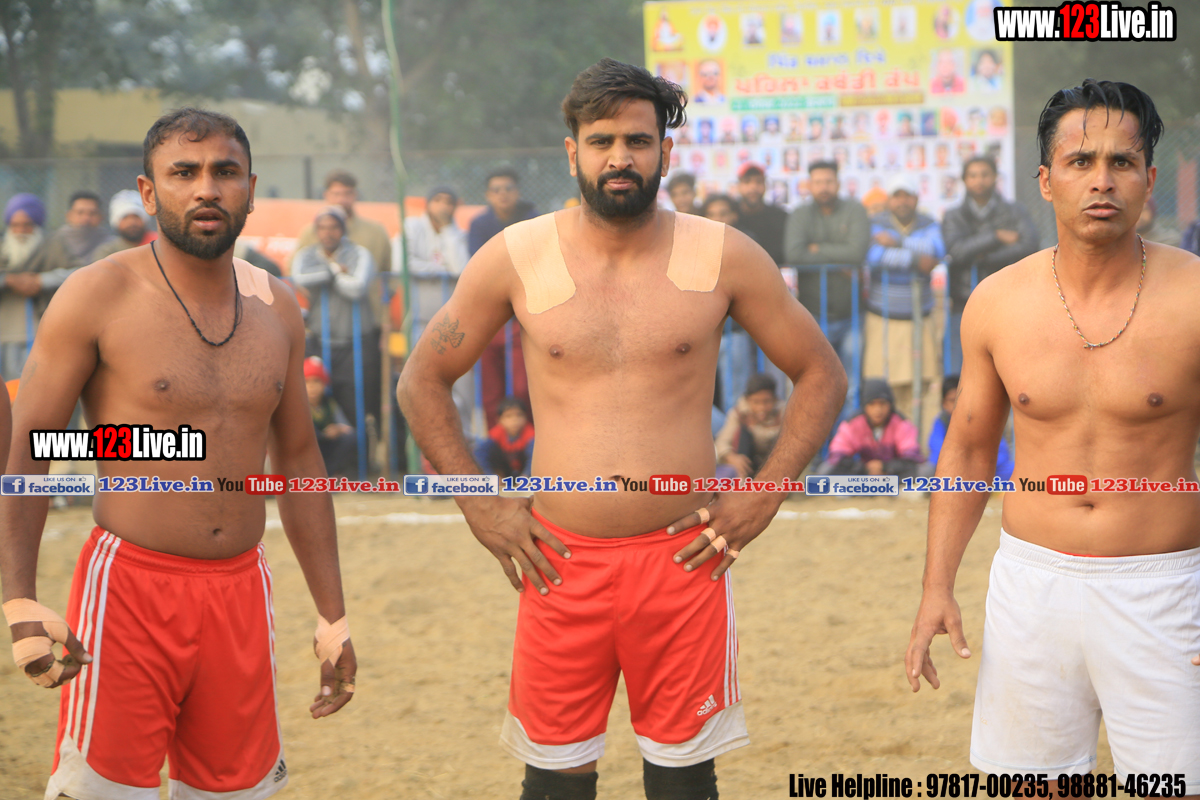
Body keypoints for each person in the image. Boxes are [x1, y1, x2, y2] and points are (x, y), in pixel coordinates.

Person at [397, 58, 845, 800]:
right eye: (601, 141)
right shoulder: (518, 254)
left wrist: (763, 494)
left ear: (664, 151)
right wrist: (481, 503)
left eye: (638, 141)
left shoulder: (721, 253)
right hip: (557, 564)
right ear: (571, 151)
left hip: (684, 562)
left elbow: (822, 373)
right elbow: (421, 380)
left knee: (684, 786)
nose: (620, 158)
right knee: (554, 786)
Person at [0, 107, 354, 799]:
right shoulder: (95, 294)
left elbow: (299, 462)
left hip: (242, 591)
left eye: (225, 172)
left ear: (251, 189)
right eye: (183, 173)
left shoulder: (278, 307)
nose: (206, 189)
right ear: (148, 190)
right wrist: (18, 600)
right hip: (129, 591)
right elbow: (30, 451)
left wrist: (333, 615)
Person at [905, 79, 1200, 784]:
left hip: (1163, 586)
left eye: (1122, 162)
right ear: (1045, 180)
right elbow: (968, 448)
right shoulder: (997, 302)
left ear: (1149, 177)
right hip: (1031, 585)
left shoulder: (1193, 296)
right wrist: (936, 585)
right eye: (1080, 161)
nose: (1102, 181)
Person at [291, 205, 379, 466]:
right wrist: (335, 270)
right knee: (313, 401)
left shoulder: (359, 253)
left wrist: (329, 276)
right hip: (319, 340)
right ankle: (317, 465)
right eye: (322, 227)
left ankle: (361, 464)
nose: (328, 232)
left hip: (356, 342)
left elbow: (357, 287)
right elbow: (299, 278)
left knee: (356, 404)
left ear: (343, 229)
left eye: (333, 227)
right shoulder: (307, 254)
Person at [785, 159, 870, 420]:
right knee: (816, 385)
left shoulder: (854, 210)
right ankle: (819, 442)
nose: (824, 187)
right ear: (809, 185)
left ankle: (846, 442)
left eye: (829, 181)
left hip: (851, 314)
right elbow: (794, 254)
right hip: (813, 316)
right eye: (818, 182)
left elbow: (857, 253)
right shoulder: (800, 214)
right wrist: (840, 260)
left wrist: (817, 249)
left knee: (852, 386)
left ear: (838, 183)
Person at [941, 155, 1038, 373]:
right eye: (973, 175)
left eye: (985, 174)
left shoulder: (1015, 211)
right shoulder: (954, 216)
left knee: (1010, 368)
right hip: (964, 300)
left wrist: (984, 257)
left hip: (1008, 299)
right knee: (962, 371)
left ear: (995, 177)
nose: (979, 180)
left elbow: (1029, 245)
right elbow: (956, 251)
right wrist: (996, 237)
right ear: (964, 180)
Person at [864, 176, 944, 433]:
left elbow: (937, 249)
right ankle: (889, 447)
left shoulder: (928, 223)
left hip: (921, 318)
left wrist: (898, 243)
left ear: (916, 199)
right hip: (883, 318)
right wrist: (917, 259)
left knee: (923, 386)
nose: (902, 201)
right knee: (885, 387)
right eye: (897, 196)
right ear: (889, 200)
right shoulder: (876, 223)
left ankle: (919, 446)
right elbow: (874, 256)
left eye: (907, 196)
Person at [469, 167, 536, 429]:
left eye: (508, 188)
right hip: (490, 315)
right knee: (490, 390)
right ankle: (495, 444)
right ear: (488, 195)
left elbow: (534, 260)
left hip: (524, 314)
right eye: (496, 190)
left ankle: (530, 443)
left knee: (523, 387)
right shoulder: (479, 224)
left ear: (517, 192)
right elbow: (477, 264)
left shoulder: (533, 219)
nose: (503, 194)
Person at [401, 184, 473, 430]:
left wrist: (447, 232)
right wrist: (438, 270)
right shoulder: (411, 227)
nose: (443, 206)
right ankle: (423, 437)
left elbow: (460, 268)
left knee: (460, 382)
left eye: (449, 201)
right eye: (438, 200)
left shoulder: (458, 233)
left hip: (453, 321)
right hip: (420, 317)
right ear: (428, 203)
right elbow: (403, 263)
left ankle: (464, 436)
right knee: (421, 378)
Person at [0, 193, 77, 379]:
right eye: (15, 225)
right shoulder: (3, 247)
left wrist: (41, 281)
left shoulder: (53, 245)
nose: (21, 231)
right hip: (4, 329)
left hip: (40, 327)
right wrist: (9, 280)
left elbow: (78, 272)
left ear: (37, 224)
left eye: (27, 225)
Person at [817, 378, 928, 479]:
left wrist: (885, 467)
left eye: (882, 403)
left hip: (893, 474)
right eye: (872, 404)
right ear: (864, 406)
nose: (878, 410)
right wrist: (865, 468)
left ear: (891, 404)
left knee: (926, 471)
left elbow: (912, 456)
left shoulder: (900, 423)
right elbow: (837, 455)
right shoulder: (853, 424)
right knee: (825, 470)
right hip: (863, 474)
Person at [927, 375, 1012, 480]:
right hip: (954, 469)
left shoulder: (982, 420)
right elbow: (936, 450)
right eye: (953, 400)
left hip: (987, 469)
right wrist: (963, 461)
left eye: (961, 399)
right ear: (944, 404)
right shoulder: (941, 421)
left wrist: (977, 464)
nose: (957, 405)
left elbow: (1002, 453)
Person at [714, 373, 783, 480]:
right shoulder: (739, 413)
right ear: (747, 400)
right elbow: (722, 442)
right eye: (756, 402)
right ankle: (742, 480)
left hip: (776, 463)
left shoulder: (783, 412)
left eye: (766, 401)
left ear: (775, 400)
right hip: (749, 463)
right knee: (743, 433)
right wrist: (732, 458)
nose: (761, 407)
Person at [305, 355, 356, 478]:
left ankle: (328, 474)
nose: (312, 387)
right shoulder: (300, 406)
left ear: (324, 384)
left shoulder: (329, 403)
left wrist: (338, 429)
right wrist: (323, 435)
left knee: (350, 438)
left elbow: (346, 427)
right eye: (307, 382)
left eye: (317, 381)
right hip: (308, 447)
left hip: (327, 447)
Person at [735, 163, 787, 265]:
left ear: (765, 185)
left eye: (759, 182)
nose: (753, 187)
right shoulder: (730, 215)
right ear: (739, 186)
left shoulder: (779, 216)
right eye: (747, 182)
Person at [475, 396, 535, 479]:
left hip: (524, 473)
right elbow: (480, 454)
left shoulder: (530, 434)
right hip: (503, 473)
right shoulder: (496, 434)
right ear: (499, 420)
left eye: (519, 415)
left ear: (526, 417)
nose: (514, 420)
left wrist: (526, 475)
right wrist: (490, 475)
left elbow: (533, 459)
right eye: (508, 416)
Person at [91, 188, 156, 260]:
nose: (132, 222)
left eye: (136, 216)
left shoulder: (158, 245)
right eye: (125, 217)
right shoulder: (107, 252)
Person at [53, 191, 109, 264]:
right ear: (69, 216)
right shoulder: (54, 243)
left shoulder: (110, 245)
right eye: (80, 212)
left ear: (101, 217)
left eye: (92, 213)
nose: (86, 218)